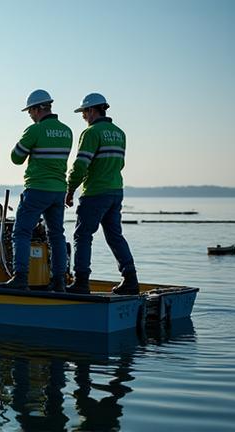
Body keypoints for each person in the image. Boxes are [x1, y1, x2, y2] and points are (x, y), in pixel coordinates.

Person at [66, 93, 138, 295]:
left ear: (91, 110)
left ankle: (81, 282)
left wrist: (70, 189)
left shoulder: (91, 133)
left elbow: (81, 165)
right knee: (115, 236)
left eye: (84, 112)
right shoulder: (119, 133)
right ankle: (130, 279)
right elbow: (120, 163)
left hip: (95, 192)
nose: (83, 117)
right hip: (116, 190)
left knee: (82, 235)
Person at [1, 89, 72, 291]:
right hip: (59, 191)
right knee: (56, 236)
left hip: (37, 189)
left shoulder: (34, 130)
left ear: (37, 109)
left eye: (30, 112)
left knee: (21, 232)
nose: (30, 116)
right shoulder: (67, 131)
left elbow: (16, 158)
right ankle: (59, 281)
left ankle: (20, 278)